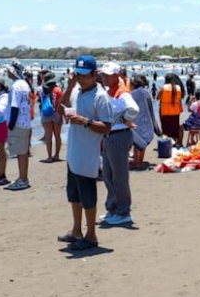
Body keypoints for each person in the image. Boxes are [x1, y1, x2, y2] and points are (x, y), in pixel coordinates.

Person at [57, 55, 113, 251]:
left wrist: (87, 122)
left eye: (84, 76)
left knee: (87, 193)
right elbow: (60, 109)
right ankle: (76, 230)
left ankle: (91, 234)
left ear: (94, 74)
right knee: (73, 193)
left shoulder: (100, 96)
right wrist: (70, 86)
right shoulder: (77, 91)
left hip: (88, 153)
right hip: (74, 149)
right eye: (77, 75)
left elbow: (107, 127)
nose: (81, 79)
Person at [100, 62, 139, 226]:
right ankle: (113, 208)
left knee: (119, 177)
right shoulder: (111, 91)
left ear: (116, 76)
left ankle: (123, 211)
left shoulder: (122, 92)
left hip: (119, 135)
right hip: (111, 136)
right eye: (103, 75)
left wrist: (125, 119)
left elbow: (134, 109)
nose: (105, 78)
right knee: (108, 175)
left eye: (108, 75)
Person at [3, 69, 34, 191]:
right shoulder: (24, 84)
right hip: (25, 122)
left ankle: (23, 179)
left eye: (8, 71)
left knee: (20, 153)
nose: (7, 73)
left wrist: (11, 124)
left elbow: (15, 106)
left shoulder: (16, 86)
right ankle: (23, 178)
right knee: (23, 152)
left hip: (18, 123)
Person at [130, 74, 158, 170]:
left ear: (133, 85)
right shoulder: (145, 92)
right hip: (147, 120)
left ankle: (137, 163)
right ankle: (140, 161)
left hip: (137, 120)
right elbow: (150, 108)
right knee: (143, 142)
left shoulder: (134, 94)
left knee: (137, 142)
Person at [40, 72, 64, 163]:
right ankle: (56, 155)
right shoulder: (58, 90)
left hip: (46, 113)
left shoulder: (42, 89)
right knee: (57, 135)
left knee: (48, 136)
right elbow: (62, 103)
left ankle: (49, 156)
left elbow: (40, 100)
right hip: (57, 113)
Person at [157, 73, 185, 147]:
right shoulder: (178, 87)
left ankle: (166, 144)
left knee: (165, 128)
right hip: (176, 111)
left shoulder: (164, 87)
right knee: (174, 128)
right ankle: (175, 142)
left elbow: (158, 97)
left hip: (165, 111)